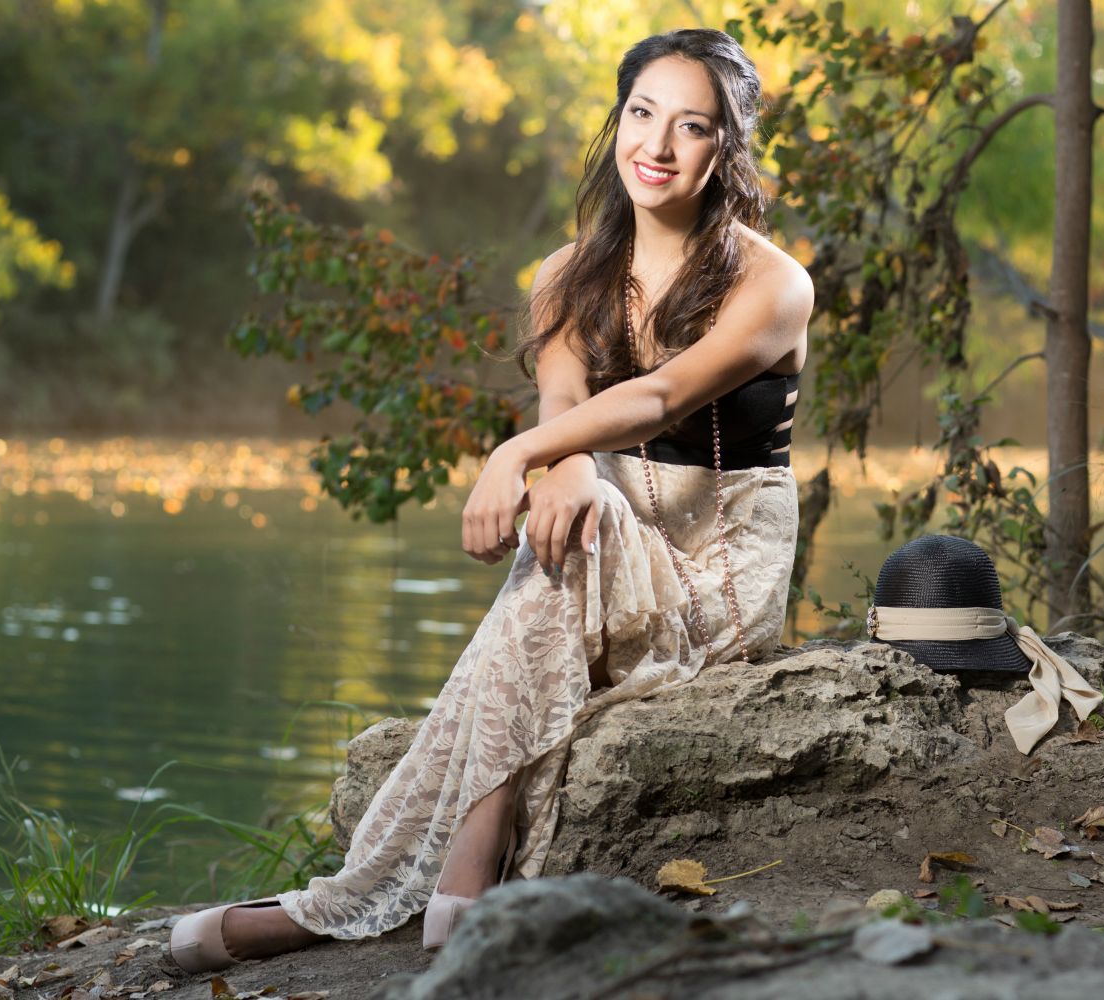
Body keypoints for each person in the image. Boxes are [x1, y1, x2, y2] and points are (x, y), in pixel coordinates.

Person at [170, 26, 811, 972]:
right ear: (617, 118)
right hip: (607, 522)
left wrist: (525, 453)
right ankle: (448, 885)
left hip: (717, 559)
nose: (658, 147)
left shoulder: (773, 283)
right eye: (642, 114)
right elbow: (567, 399)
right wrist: (570, 463)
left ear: (728, 146)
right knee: (574, 527)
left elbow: (662, 397)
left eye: (692, 127)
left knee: (571, 531)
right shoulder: (567, 273)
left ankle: (391, 890)